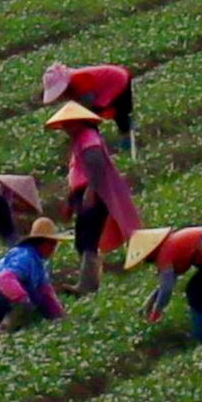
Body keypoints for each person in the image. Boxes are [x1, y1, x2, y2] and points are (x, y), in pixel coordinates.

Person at [48, 102, 139, 293]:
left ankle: (87, 285)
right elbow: (77, 173)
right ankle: (91, 280)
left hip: (94, 194)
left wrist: (91, 191)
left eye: (68, 124)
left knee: (88, 238)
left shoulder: (89, 138)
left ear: (79, 122)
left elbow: (97, 167)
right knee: (82, 239)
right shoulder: (79, 140)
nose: (65, 129)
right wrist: (71, 202)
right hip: (84, 194)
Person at [121, 223, 202, 343]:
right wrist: (148, 305)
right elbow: (165, 285)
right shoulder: (170, 244)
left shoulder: (165, 254)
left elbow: (166, 288)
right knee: (197, 293)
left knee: (196, 294)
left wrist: (156, 312)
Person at [0, 218, 70, 330]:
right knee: (27, 298)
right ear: (42, 242)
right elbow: (4, 279)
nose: (53, 249)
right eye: (51, 244)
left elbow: (46, 293)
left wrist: (60, 317)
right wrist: (23, 300)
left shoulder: (39, 264)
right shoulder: (24, 256)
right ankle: (5, 329)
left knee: (38, 298)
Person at [39, 62, 138, 158]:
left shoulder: (79, 79)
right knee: (104, 115)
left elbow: (88, 106)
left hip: (117, 80)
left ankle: (125, 143)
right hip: (114, 80)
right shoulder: (72, 86)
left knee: (121, 115)